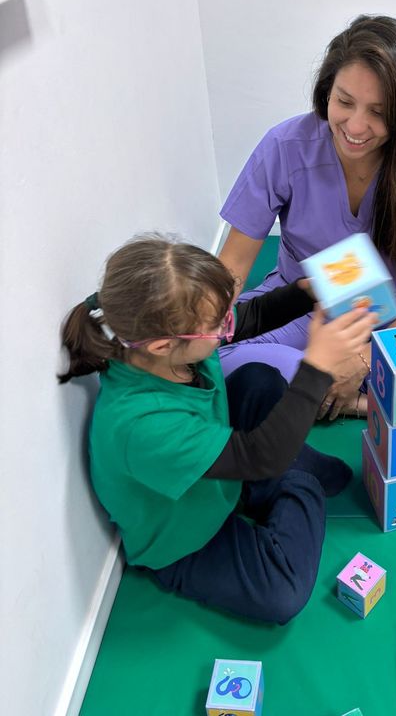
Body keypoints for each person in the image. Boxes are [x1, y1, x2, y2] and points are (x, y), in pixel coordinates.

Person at [58, 235, 376, 624]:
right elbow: (260, 456)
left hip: (219, 474)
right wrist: (318, 366)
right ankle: (300, 485)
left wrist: (302, 293)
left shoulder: (169, 344)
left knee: (258, 378)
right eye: (219, 323)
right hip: (187, 541)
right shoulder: (140, 425)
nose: (228, 326)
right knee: (281, 595)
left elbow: (252, 317)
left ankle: (285, 482)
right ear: (162, 345)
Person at [217, 15, 396, 427]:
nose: (355, 127)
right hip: (308, 302)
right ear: (326, 91)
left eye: (379, 112)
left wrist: (367, 355)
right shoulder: (284, 147)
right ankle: (364, 398)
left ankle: (326, 386)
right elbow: (232, 265)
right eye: (343, 102)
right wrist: (193, 326)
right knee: (209, 353)